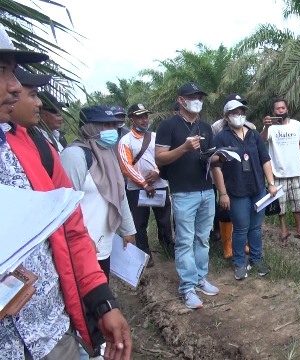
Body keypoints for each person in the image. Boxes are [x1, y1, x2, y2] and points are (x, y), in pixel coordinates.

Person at [0, 24, 131, 360]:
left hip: (52, 337)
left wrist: (102, 301)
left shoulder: (36, 149)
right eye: (2, 71)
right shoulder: (73, 154)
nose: (15, 87)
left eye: (14, 73)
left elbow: (71, 230)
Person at [155, 82, 221, 309]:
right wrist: (183, 148)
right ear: (181, 100)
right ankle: (187, 287)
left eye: (200, 96)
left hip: (205, 190)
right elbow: (160, 158)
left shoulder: (205, 128)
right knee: (184, 240)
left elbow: (209, 157)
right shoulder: (168, 126)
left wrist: (219, 158)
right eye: (192, 96)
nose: (197, 100)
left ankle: (200, 277)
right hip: (183, 192)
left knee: (202, 237)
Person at [60, 105, 137, 280]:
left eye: (113, 125)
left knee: (103, 286)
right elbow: (67, 207)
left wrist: (128, 230)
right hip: (84, 246)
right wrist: (83, 237)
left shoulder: (108, 155)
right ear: (89, 127)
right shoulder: (74, 156)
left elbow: (120, 194)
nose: (112, 130)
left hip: (105, 244)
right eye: (106, 126)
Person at [212, 100, 277, 280]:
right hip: (236, 191)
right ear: (226, 116)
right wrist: (223, 193)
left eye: (241, 111)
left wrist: (271, 182)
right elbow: (216, 167)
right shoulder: (221, 138)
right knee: (241, 228)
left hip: (257, 189)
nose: (238, 115)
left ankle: (256, 259)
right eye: (234, 112)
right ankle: (239, 262)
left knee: (255, 228)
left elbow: (265, 159)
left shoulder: (254, 135)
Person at [118, 103, 173, 267]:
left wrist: (157, 171)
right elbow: (126, 166)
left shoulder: (156, 137)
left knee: (164, 219)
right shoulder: (125, 141)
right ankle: (145, 254)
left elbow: (164, 156)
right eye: (140, 117)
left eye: (145, 116)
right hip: (137, 189)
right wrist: (143, 183)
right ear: (132, 119)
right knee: (139, 223)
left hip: (160, 184)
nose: (144, 120)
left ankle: (168, 247)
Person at [260, 98, 300, 246]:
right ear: (273, 111)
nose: (280, 110)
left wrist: (298, 148)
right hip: (277, 171)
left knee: (298, 202)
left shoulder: (296, 124)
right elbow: (261, 139)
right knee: (280, 204)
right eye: (277, 109)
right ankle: (283, 230)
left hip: (295, 170)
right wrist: (266, 126)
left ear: (287, 109)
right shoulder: (271, 127)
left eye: (283, 108)